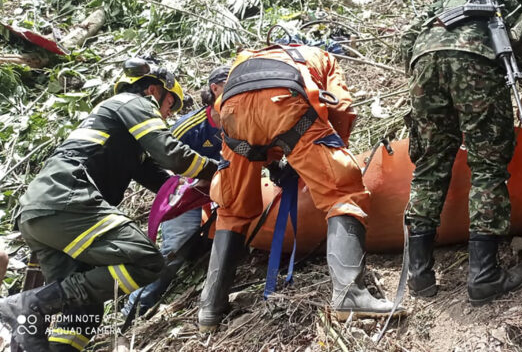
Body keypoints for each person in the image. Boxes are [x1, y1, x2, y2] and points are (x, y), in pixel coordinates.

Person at [0, 58, 218, 352]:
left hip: (40, 211)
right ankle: (27, 304)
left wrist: (203, 191)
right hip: (68, 199)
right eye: (169, 106)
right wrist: (217, 171)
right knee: (147, 259)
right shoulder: (132, 101)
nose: (167, 116)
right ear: (154, 90)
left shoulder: (123, 137)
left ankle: (33, 325)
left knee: (83, 313)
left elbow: (165, 183)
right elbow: (172, 155)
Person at [197, 43, 400, 332]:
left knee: (231, 208)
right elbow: (340, 107)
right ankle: (349, 296)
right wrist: (331, 153)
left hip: (232, 114)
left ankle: (210, 309)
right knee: (342, 192)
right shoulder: (323, 58)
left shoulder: (247, 57)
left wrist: (274, 160)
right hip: (285, 103)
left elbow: (251, 116)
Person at [400, 0, 522, 306]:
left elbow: (408, 36)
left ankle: (418, 274)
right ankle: (484, 275)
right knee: (488, 167)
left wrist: (420, 77)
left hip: (424, 61)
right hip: (479, 61)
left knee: (430, 165)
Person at [121, 65, 229, 318]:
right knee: (176, 248)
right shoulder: (190, 127)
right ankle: (134, 309)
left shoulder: (246, 121)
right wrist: (191, 181)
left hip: (224, 193)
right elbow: (159, 160)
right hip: (189, 194)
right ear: (215, 89)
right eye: (231, 85)